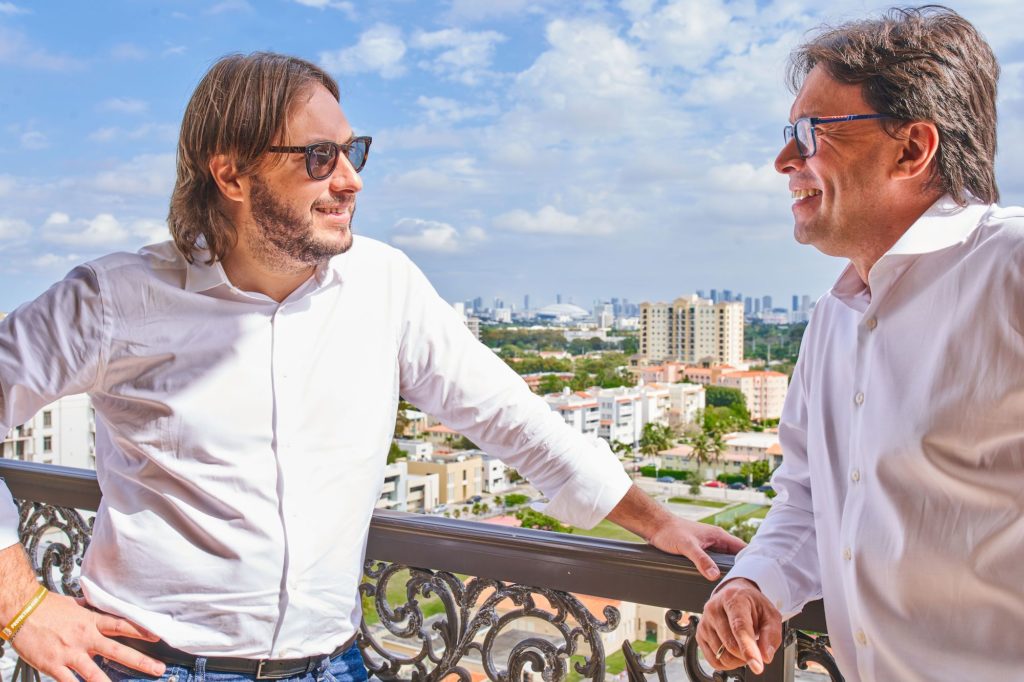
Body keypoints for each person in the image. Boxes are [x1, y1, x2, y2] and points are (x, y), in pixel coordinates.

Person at [0, 53, 745, 682]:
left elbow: (509, 417)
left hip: (331, 663)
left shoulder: (384, 285)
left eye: (352, 153)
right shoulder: (115, 299)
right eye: (318, 158)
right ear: (230, 174)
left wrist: (660, 522)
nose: (350, 181)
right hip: (149, 663)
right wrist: (20, 605)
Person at [696, 6, 1024, 681]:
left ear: (912, 149)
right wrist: (755, 582)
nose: (784, 159)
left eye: (812, 134)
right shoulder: (834, 317)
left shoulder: (1010, 270)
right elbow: (809, 499)